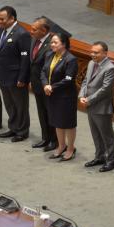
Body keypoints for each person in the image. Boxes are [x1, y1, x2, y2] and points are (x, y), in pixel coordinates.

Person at [0, 6, 31, 142]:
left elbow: (25, 58)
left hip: (16, 77)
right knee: (9, 103)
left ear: (12, 18)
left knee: (20, 105)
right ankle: (13, 127)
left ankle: (22, 131)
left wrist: (22, 78)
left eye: (2, 19)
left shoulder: (22, 34)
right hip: (2, 74)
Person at [79, 41, 114, 172]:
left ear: (105, 53)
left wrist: (89, 100)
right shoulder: (91, 63)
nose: (92, 54)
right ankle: (100, 156)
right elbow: (85, 81)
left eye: (96, 52)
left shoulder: (110, 68)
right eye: (91, 52)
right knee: (95, 133)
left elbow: (105, 89)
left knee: (107, 135)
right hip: (90, 105)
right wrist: (81, 96)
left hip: (101, 107)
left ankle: (112, 160)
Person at [41, 33, 78, 161]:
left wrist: (52, 87)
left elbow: (68, 79)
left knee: (68, 123)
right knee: (57, 121)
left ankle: (71, 148)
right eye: (51, 42)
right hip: (51, 94)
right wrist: (46, 84)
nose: (52, 45)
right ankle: (61, 145)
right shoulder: (49, 55)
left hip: (65, 96)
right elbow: (43, 71)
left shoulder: (70, 59)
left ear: (63, 44)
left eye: (55, 42)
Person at [29, 17, 57, 152]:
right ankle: (45, 138)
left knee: (50, 114)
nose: (31, 31)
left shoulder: (51, 44)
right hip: (36, 85)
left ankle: (54, 140)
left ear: (44, 30)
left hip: (47, 86)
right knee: (42, 113)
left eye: (34, 29)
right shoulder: (34, 39)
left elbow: (48, 68)